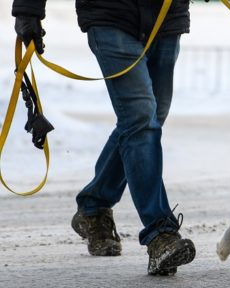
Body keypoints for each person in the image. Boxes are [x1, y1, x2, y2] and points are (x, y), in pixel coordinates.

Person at [12, 0, 196, 276]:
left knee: (148, 119)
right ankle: (160, 233)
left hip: (167, 16)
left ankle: (93, 206)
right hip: (110, 13)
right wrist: (28, 10)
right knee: (141, 119)